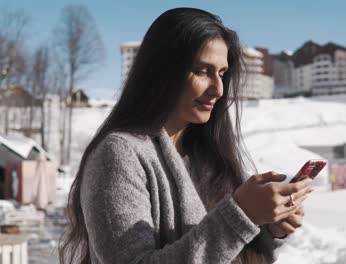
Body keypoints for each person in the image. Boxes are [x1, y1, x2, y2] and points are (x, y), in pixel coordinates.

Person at [58, 7, 313, 264]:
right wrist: (241, 215)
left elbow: (223, 252)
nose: (219, 89)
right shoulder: (119, 155)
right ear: (162, 71)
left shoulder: (207, 156)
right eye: (202, 71)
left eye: (222, 73)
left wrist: (268, 230)